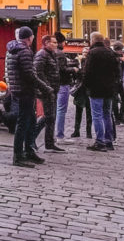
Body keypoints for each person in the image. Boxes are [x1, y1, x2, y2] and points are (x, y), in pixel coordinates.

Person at [5, 26, 53, 168]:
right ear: (29, 37)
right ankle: (18, 155)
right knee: (23, 123)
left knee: (31, 121)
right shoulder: (24, 51)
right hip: (24, 91)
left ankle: (28, 150)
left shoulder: (13, 50)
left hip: (19, 90)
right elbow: (29, 74)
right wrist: (45, 87)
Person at [83, 32, 118, 151]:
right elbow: (117, 72)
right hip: (109, 89)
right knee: (107, 114)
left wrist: (86, 86)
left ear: (92, 40)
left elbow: (87, 72)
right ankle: (109, 140)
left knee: (97, 115)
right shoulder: (110, 52)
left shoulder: (92, 53)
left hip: (96, 89)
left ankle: (100, 141)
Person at [33, 34, 65, 152]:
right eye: (54, 42)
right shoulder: (41, 55)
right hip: (46, 90)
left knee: (51, 117)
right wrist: (47, 87)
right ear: (46, 43)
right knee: (48, 116)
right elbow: (38, 73)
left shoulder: (51, 54)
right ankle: (32, 138)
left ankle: (49, 143)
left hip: (52, 89)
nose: (56, 45)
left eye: (56, 43)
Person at [54, 32, 74, 141]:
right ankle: (60, 135)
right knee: (61, 110)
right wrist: (73, 69)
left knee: (56, 110)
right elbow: (62, 69)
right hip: (63, 84)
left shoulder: (52, 52)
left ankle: (55, 134)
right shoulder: (60, 54)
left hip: (54, 84)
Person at [70, 46, 93, 138]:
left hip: (88, 89)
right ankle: (76, 130)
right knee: (78, 111)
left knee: (89, 111)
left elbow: (86, 74)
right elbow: (75, 76)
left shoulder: (91, 63)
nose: (84, 54)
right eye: (83, 52)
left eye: (86, 52)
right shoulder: (78, 61)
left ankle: (88, 132)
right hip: (80, 89)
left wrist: (79, 69)